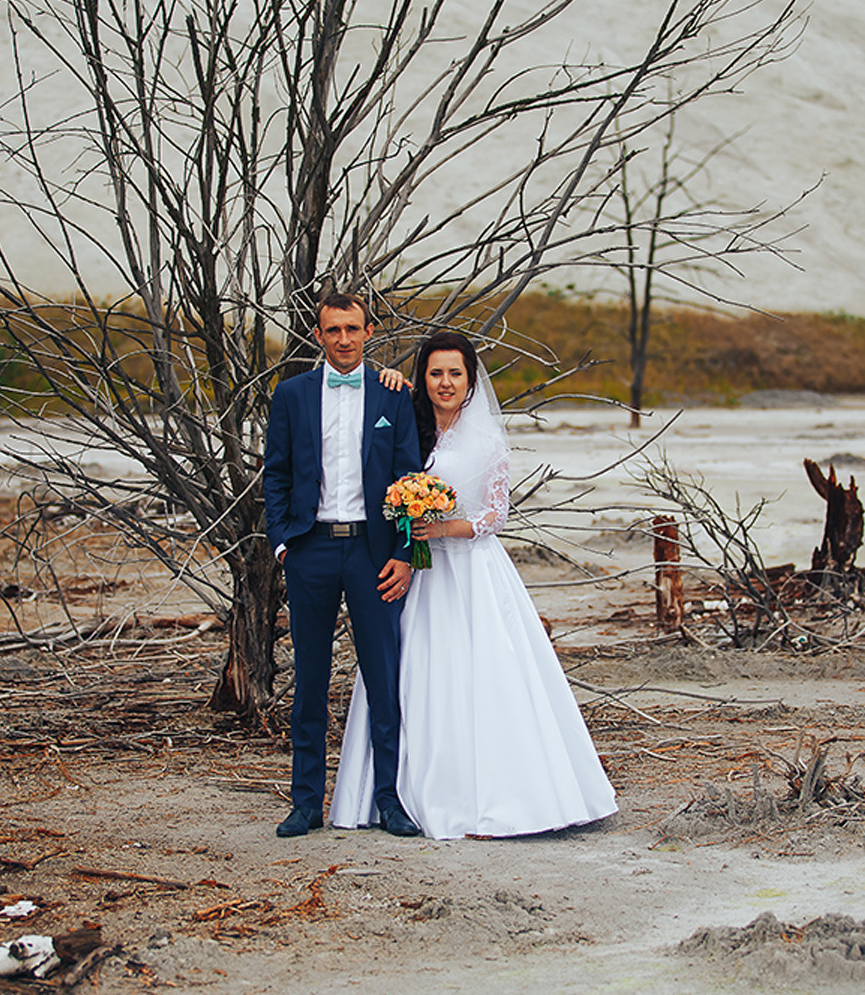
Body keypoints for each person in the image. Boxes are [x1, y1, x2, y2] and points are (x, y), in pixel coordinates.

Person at [329, 332, 618, 839]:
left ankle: (496, 799)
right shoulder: (405, 424)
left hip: (468, 570)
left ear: (470, 380)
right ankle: (394, 796)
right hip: (414, 571)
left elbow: (495, 514)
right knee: (410, 673)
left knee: (483, 676)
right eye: (435, 373)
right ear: (423, 376)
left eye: (455, 374)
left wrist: (444, 527)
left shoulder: (485, 440)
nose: (444, 383)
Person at [262, 293, 424, 838]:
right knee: (310, 679)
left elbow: (408, 482)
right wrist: (284, 542)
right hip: (312, 549)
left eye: (352, 329)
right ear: (319, 335)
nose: (344, 339)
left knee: (383, 676)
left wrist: (404, 555)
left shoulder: (392, 395)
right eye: (333, 330)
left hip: (373, 553)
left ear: (369, 331)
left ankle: (389, 799)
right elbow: (277, 474)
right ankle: (305, 801)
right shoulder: (291, 395)